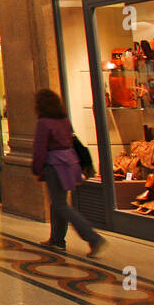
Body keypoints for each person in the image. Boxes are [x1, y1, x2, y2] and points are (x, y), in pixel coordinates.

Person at [32, 88, 105, 256]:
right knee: (59, 202)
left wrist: (37, 169)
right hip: (69, 163)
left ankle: (92, 237)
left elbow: (40, 148)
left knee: (60, 205)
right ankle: (57, 239)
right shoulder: (63, 119)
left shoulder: (44, 122)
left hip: (55, 164)